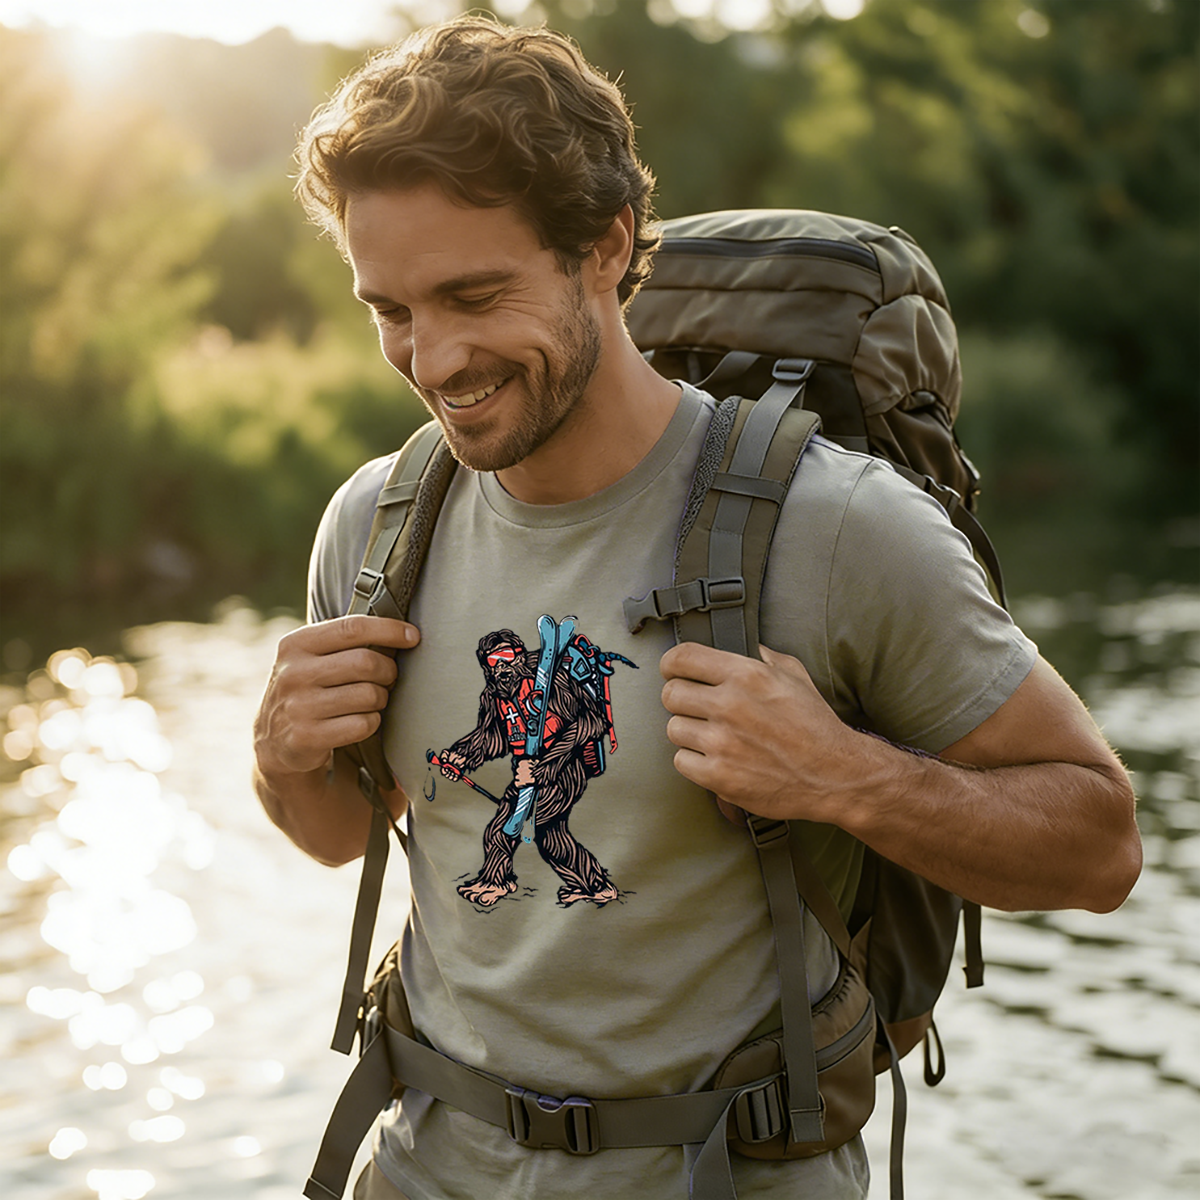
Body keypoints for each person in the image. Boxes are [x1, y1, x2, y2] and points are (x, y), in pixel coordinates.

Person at [252, 16, 1142, 1200]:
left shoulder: (837, 529)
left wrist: (846, 778)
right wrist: (277, 758)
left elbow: (1101, 844)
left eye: (475, 293)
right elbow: (332, 835)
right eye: (392, 309)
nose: (435, 357)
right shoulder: (376, 526)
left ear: (606, 246)